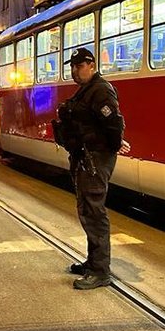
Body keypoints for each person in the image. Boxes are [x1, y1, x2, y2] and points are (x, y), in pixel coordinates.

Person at [52, 47, 131, 290]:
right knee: (87, 209)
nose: (75, 71)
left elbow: (113, 123)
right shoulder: (86, 91)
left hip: (94, 160)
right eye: (72, 67)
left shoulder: (100, 90)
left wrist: (115, 145)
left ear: (92, 65)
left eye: (79, 66)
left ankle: (100, 271)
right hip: (85, 158)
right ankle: (92, 262)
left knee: (94, 212)